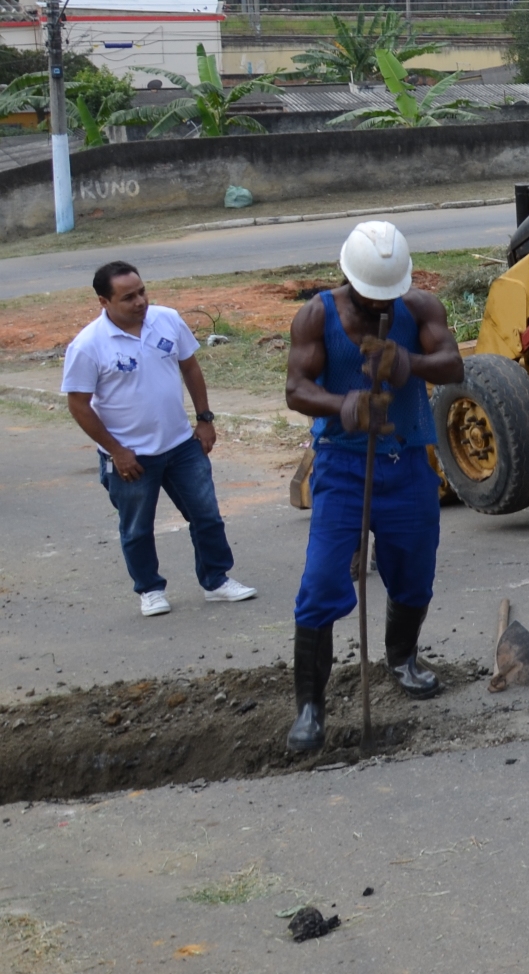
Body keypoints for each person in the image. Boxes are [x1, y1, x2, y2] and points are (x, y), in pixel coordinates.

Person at [281, 221, 464, 752]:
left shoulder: (420, 307)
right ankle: (310, 708)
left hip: (405, 460)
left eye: (391, 293)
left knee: (413, 570)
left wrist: (408, 363)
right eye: (370, 296)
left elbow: (452, 365)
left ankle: (402, 658)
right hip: (342, 466)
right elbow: (296, 388)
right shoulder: (317, 315)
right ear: (349, 278)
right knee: (320, 582)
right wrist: (342, 404)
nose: (381, 304)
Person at [61, 262, 257, 617]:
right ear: (104, 301)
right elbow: (78, 404)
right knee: (137, 528)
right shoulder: (88, 346)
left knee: (207, 516)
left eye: (142, 292)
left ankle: (217, 581)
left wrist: (205, 419)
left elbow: (190, 367)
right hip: (130, 457)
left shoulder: (166, 319)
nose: (140, 302)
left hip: (181, 445)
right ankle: (150, 590)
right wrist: (117, 451)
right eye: (128, 297)